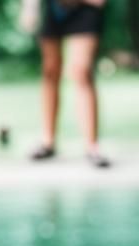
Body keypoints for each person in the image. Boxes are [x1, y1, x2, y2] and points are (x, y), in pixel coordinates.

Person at [20, 0, 110, 168]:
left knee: (82, 71)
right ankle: (48, 142)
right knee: (50, 70)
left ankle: (92, 146)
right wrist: (29, 6)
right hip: (52, 7)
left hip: (86, 7)